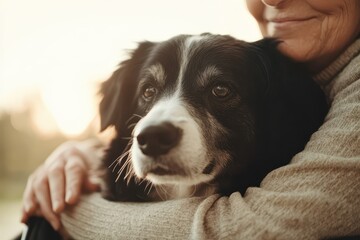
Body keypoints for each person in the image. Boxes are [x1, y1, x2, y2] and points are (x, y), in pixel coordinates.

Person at [21, 0, 360, 239]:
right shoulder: (298, 75)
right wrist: (81, 153)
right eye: (149, 92)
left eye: (221, 91)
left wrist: (67, 214)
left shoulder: (292, 90)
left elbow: (252, 229)